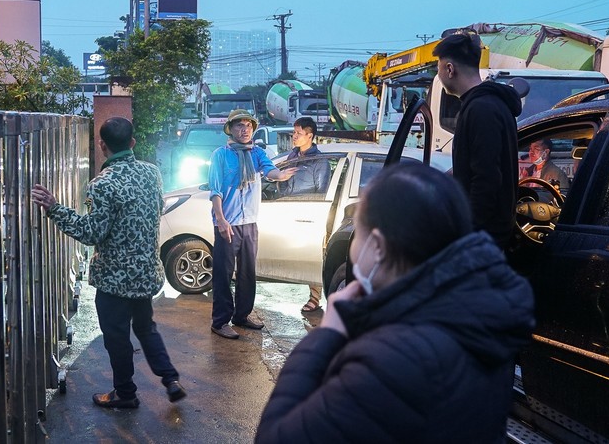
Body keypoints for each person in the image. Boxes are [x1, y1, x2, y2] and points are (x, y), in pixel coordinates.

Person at [255, 163, 535, 443]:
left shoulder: (391, 361)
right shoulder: (479, 313)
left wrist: (326, 336)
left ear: (376, 246)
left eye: (358, 234)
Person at [31, 117, 186, 409]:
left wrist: (54, 208)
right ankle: (170, 378)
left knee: (117, 338)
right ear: (133, 143)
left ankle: (125, 394)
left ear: (101, 145)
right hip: (145, 273)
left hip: (115, 279)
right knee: (145, 327)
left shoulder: (101, 185)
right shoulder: (153, 173)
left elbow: (91, 232)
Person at [208, 109, 297, 339]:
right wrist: (220, 220)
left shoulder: (257, 153)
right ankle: (220, 321)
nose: (244, 129)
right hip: (228, 223)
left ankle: (241, 315)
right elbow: (215, 190)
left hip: (250, 223)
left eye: (248, 125)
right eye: (239, 125)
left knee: (248, 273)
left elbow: (270, 171)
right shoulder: (220, 154)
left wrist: (281, 174)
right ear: (231, 129)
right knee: (223, 274)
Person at [433, 33, 522, 248]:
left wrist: (468, 233)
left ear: (449, 69)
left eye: (438, 68)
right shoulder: (491, 105)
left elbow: (487, 178)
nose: (439, 74)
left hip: (484, 239)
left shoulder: (480, 109)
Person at [286, 117, 331, 313]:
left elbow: (322, 192)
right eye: (294, 133)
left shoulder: (319, 162)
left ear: (310, 135)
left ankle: (314, 297)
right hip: (288, 208)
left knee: (314, 254)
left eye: (298, 133)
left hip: (308, 212)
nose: (294, 137)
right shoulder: (292, 156)